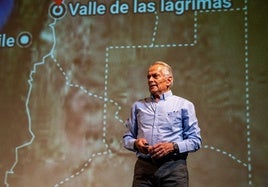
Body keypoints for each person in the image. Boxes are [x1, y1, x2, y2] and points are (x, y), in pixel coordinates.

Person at [123, 61, 202, 187]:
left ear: (169, 80)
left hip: (173, 169)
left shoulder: (184, 105)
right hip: (144, 170)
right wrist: (136, 144)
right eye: (148, 77)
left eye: (155, 76)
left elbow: (196, 141)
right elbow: (127, 138)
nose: (150, 80)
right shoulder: (138, 106)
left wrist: (172, 147)